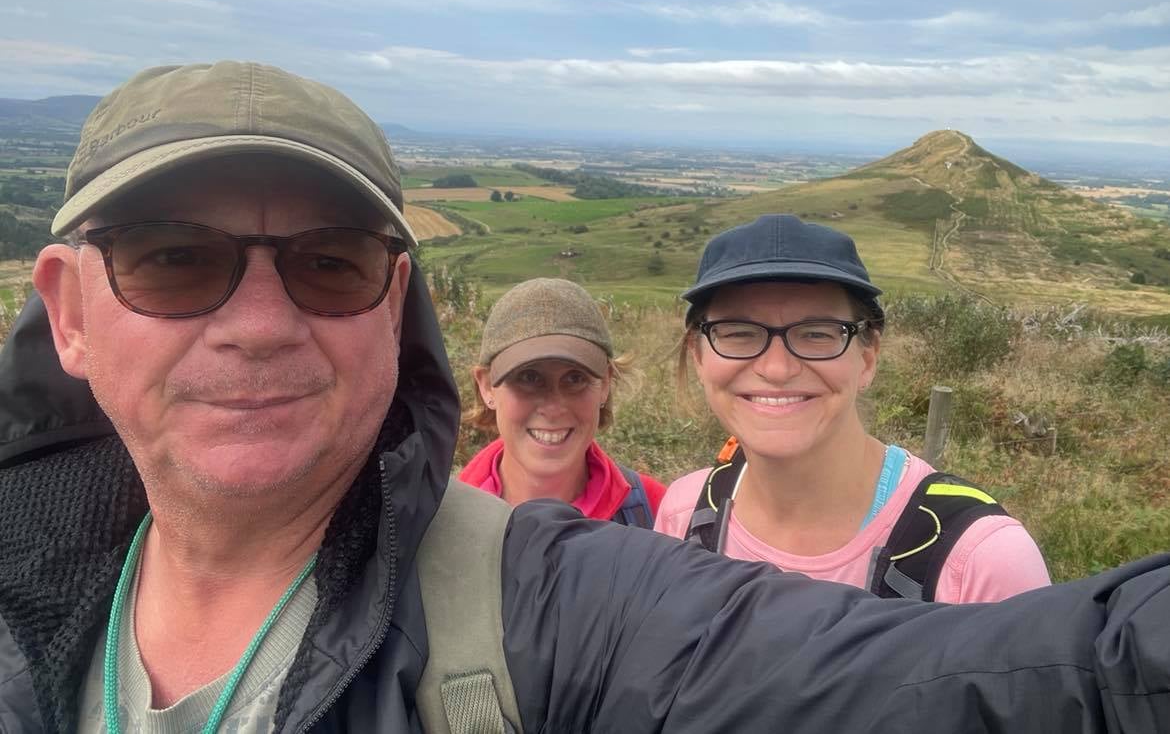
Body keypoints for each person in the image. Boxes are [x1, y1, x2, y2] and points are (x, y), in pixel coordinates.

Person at [0, 61, 1167, 734]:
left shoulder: (551, 596)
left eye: (329, 264)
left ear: (394, 305)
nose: (259, 323)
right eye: (173, 261)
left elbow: (998, 679)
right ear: (70, 309)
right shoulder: (25, 576)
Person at [655, 214, 1050, 602]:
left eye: (816, 334)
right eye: (739, 333)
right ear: (699, 356)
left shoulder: (981, 561)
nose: (777, 369)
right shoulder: (684, 515)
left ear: (868, 357)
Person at [460, 277, 665, 525]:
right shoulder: (439, 520)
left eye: (575, 378)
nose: (553, 408)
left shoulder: (662, 514)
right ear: (486, 386)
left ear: (605, 383)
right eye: (529, 377)